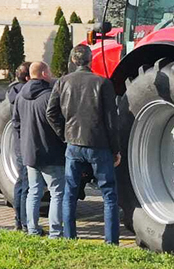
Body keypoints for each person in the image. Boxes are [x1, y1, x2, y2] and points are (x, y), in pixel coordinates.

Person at [47, 45, 121, 245]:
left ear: (72, 61)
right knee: (109, 194)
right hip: (99, 145)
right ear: (91, 61)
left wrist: (65, 135)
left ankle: (70, 238)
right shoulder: (102, 82)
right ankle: (111, 242)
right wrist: (116, 149)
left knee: (70, 192)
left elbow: (51, 112)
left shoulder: (63, 82)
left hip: (73, 144)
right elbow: (111, 120)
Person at [14, 62, 65, 237]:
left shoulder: (20, 96)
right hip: (50, 152)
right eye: (49, 71)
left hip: (30, 153)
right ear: (43, 73)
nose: (51, 74)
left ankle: (33, 229)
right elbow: (58, 124)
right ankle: (56, 232)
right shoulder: (49, 96)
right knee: (57, 192)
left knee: (34, 191)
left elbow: (16, 124)